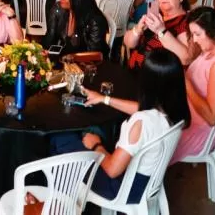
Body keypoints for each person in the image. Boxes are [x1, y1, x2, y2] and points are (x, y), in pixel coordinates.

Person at [47, 49, 190, 208]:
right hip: (145, 183)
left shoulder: (141, 122)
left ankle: (60, 203)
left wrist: (96, 145)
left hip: (119, 188)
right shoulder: (176, 113)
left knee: (60, 139)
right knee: (92, 133)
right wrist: (104, 99)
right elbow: (141, 108)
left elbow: (112, 170)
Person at [171, 7, 215, 163]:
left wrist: (186, 83)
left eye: (197, 34)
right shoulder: (212, 50)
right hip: (185, 115)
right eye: (192, 34)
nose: (194, 40)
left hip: (196, 131)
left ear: (213, 31)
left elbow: (212, 118)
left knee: (145, 140)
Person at [126, 0, 191, 69]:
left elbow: (185, 58)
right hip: (134, 70)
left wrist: (161, 31)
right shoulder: (155, 16)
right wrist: (137, 30)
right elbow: (129, 43)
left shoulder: (186, 22)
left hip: (156, 75)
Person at [42, 0, 110, 56]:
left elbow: (93, 55)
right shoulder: (59, 9)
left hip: (85, 60)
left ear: (77, 0)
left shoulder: (96, 22)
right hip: (65, 57)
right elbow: (49, 39)